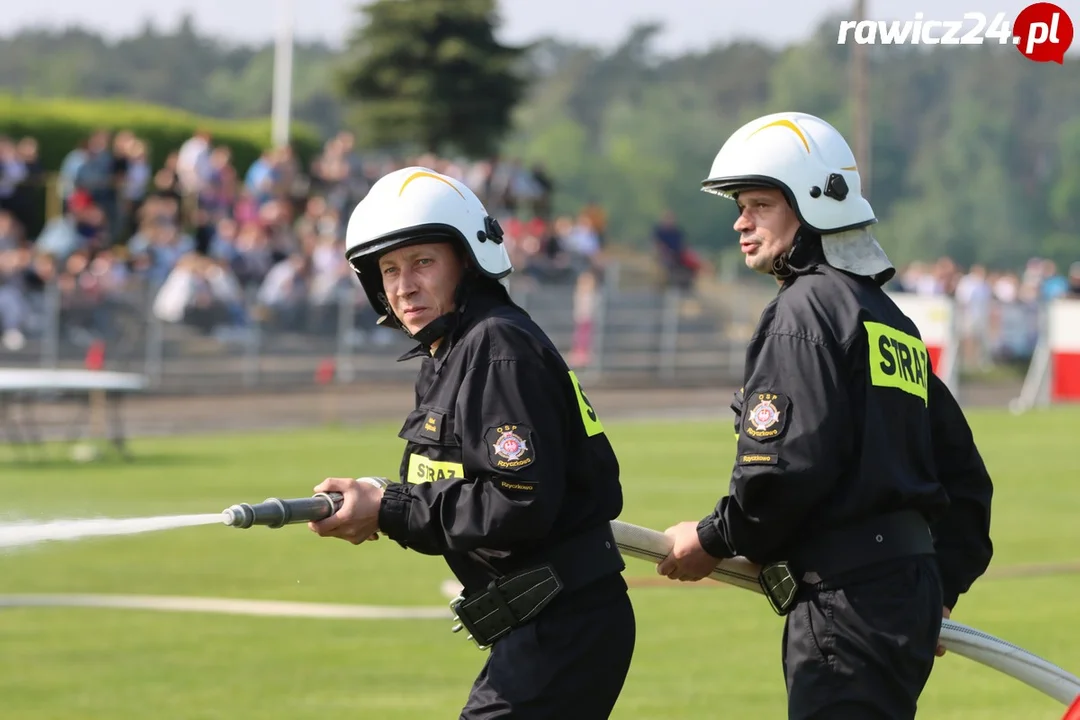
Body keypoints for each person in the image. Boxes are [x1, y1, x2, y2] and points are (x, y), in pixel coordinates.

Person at [655, 112, 994, 719]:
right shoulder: (890, 321)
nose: (740, 221)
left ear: (814, 204)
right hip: (901, 596)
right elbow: (967, 479)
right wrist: (939, 590)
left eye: (759, 203)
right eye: (739, 205)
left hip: (846, 604)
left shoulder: (803, 311)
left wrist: (711, 538)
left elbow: (784, 471)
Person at [308, 166, 636, 719]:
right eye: (388, 269)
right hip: (540, 625)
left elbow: (517, 501)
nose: (403, 285)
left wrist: (387, 508)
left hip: (561, 626)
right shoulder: (451, 351)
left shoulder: (495, 345)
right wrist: (377, 496)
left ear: (468, 260)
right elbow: (453, 487)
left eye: (422, 262)